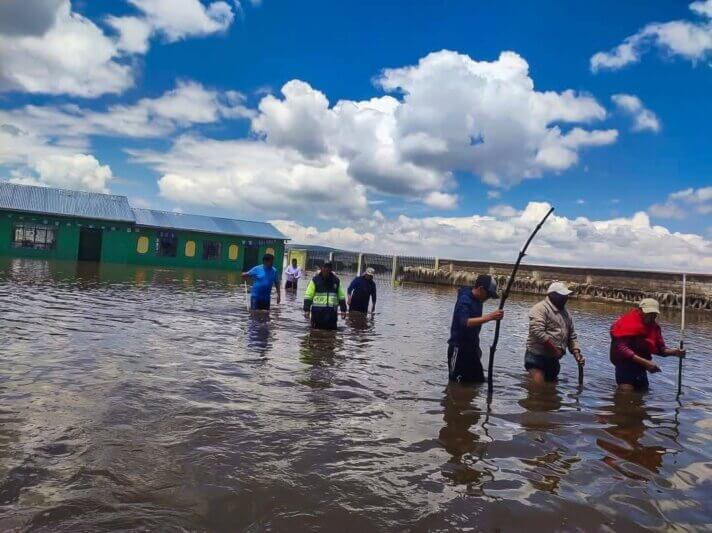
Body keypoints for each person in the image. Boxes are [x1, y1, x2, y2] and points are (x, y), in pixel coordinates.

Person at [609, 298, 685, 391]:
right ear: (640, 310)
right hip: (625, 366)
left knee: (643, 392)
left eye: (654, 314)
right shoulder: (626, 323)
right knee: (626, 394)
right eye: (649, 313)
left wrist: (674, 352)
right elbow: (621, 348)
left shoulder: (654, 328)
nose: (652, 317)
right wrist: (646, 363)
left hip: (641, 368)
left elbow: (659, 348)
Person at [447, 274, 503, 383]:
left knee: (478, 382)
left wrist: (476, 348)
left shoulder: (479, 301)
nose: (488, 298)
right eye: (488, 295)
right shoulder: (464, 300)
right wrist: (490, 317)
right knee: (455, 384)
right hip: (458, 349)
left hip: (472, 349)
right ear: (481, 289)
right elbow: (465, 322)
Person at [525, 281, 585, 384]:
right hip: (537, 356)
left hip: (553, 359)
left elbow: (572, 336)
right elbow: (538, 332)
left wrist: (577, 353)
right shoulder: (540, 309)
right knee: (537, 388)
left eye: (566, 295)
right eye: (562, 295)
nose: (566, 298)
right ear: (552, 295)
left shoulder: (566, 314)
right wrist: (554, 350)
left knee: (552, 390)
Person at [303, 261, 347, 330]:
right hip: (317, 315)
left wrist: (343, 310)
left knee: (332, 337)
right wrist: (306, 310)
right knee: (315, 336)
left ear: (331, 269)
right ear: (321, 268)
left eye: (328, 267)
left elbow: (341, 296)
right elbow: (308, 295)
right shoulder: (315, 280)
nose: (326, 269)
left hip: (331, 315)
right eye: (325, 267)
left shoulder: (336, 281)